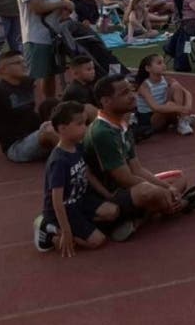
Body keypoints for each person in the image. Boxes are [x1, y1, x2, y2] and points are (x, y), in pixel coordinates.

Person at [84, 74, 195, 219]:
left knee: (178, 179)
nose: (133, 96)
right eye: (125, 93)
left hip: (128, 187)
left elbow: (137, 168)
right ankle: (176, 205)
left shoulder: (122, 124)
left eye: (131, 90)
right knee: (149, 191)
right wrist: (160, 190)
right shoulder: (102, 132)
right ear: (106, 101)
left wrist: (167, 188)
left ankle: (150, 212)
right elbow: (124, 178)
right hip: (110, 193)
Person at [35, 100, 133, 256]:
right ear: (62, 129)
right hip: (65, 207)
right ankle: (50, 230)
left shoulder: (78, 147)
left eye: (85, 123)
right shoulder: (59, 161)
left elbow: (87, 173)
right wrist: (66, 231)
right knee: (97, 241)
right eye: (80, 124)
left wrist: (107, 195)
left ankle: (81, 226)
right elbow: (57, 200)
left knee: (113, 211)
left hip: (81, 199)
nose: (85, 128)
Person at [16, 0, 73, 100]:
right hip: (36, 35)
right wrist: (63, 4)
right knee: (32, 74)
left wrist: (65, 9)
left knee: (50, 74)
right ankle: (20, 104)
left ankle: (49, 105)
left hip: (54, 32)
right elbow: (37, 7)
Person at [134, 53, 195, 136]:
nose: (163, 65)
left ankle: (182, 120)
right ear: (148, 68)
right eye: (159, 63)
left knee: (176, 86)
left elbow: (187, 93)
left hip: (165, 111)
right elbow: (155, 107)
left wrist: (187, 107)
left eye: (163, 62)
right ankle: (182, 119)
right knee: (170, 105)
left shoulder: (167, 79)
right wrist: (181, 109)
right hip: (151, 119)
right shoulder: (144, 86)